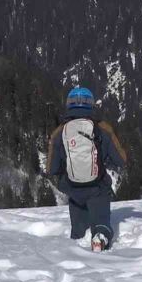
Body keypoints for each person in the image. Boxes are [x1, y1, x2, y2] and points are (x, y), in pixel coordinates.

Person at [46, 87, 127, 251]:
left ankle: (76, 244)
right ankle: (100, 237)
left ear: (69, 105)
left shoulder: (59, 132)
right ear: (91, 105)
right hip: (98, 188)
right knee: (101, 222)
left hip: (73, 188)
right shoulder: (103, 129)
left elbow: (51, 169)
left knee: (78, 231)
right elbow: (121, 159)